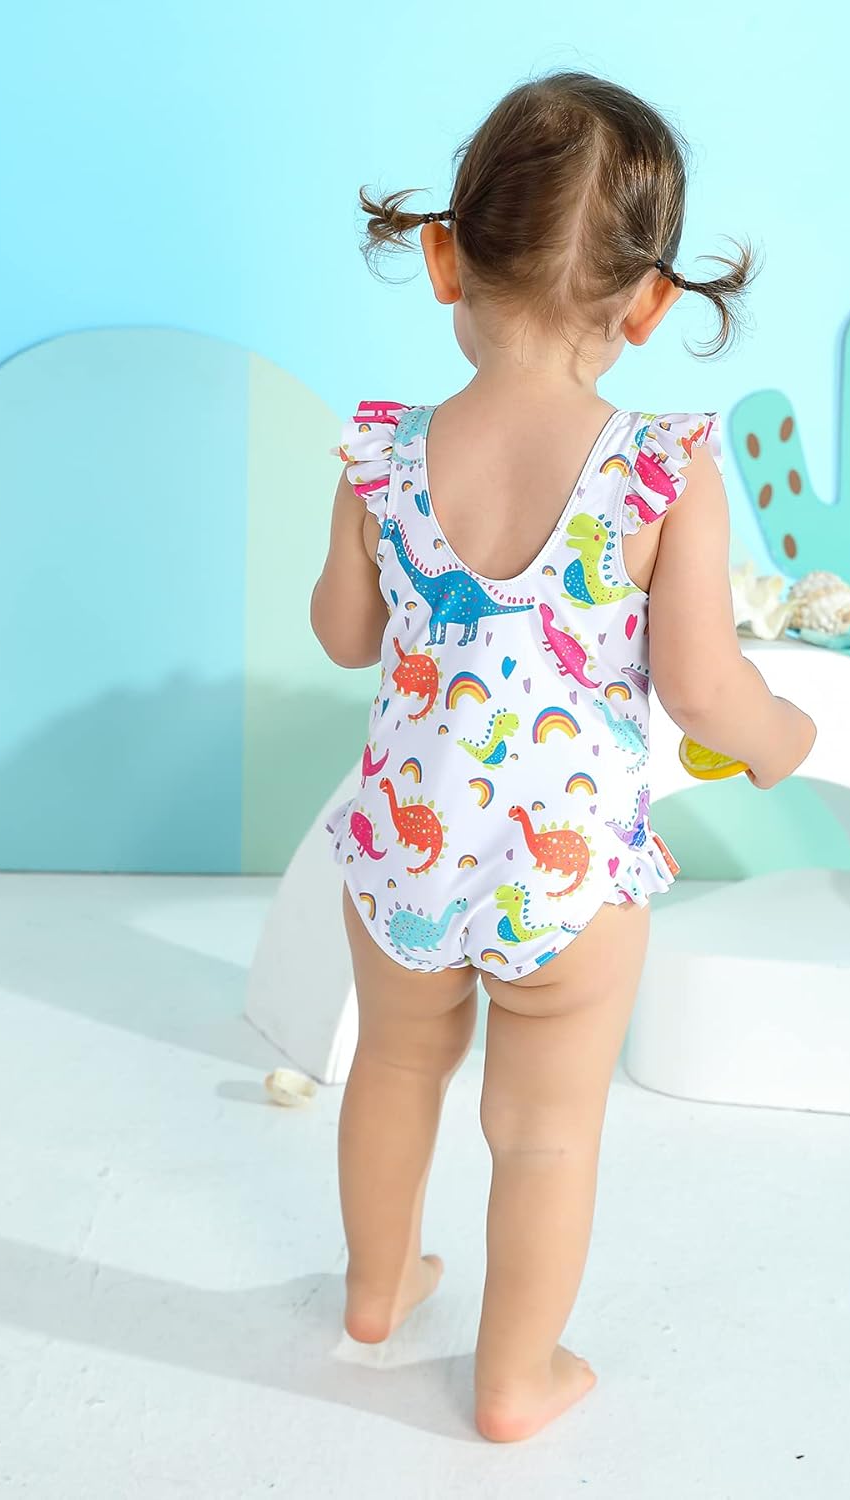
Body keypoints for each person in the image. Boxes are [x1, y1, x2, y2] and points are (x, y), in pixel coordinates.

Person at [310, 69, 817, 1443]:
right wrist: (779, 737)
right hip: (568, 880)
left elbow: (345, 638)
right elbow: (703, 690)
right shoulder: (663, 471)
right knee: (543, 1130)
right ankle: (513, 1376)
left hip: (402, 860)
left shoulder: (380, 458)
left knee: (395, 1069)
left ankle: (375, 1294)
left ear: (444, 258)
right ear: (648, 305)